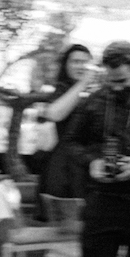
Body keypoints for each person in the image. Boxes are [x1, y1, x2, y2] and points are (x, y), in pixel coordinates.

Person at [65, 40, 130, 257]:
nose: (115, 88)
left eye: (122, 82)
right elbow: (70, 142)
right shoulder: (92, 101)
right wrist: (91, 162)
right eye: (111, 81)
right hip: (101, 201)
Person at [36, 44, 99, 214]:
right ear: (66, 65)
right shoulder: (63, 89)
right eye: (76, 62)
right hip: (65, 164)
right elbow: (55, 114)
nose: (81, 66)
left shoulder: (98, 93)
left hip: (91, 160)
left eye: (85, 63)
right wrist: (83, 83)